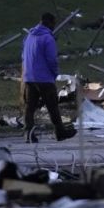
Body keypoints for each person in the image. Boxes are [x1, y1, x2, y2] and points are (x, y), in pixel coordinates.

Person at [21, 12, 76, 143]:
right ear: (50, 23)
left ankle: (28, 133)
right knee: (52, 106)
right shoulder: (47, 38)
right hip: (44, 78)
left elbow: (23, 55)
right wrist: (55, 73)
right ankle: (60, 131)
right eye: (53, 24)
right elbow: (52, 59)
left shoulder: (29, 36)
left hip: (29, 77)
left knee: (30, 107)